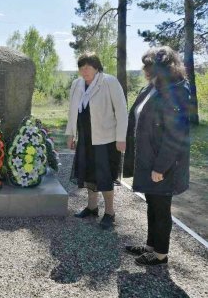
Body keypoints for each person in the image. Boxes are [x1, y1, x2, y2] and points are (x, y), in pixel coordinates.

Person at [123, 46, 190, 266]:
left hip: (163, 164)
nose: (145, 69)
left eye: (150, 65)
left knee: (161, 208)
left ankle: (161, 254)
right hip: (148, 160)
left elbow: (175, 135)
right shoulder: (152, 88)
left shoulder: (176, 91)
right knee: (152, 204)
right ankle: (151, 245)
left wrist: (160, 167)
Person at [65, 52, 128, 229]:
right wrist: (70, 134)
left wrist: (121, 138)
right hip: (85, 137)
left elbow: (122, 111)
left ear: (96, 67)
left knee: (105, 176)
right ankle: (92, 207)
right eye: (81, 67)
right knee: (88, 173)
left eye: (88, 66)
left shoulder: (109, 82)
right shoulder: (77, 84)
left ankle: (110, 213)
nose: (84, 70)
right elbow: (72, 112)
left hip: (106, 139)